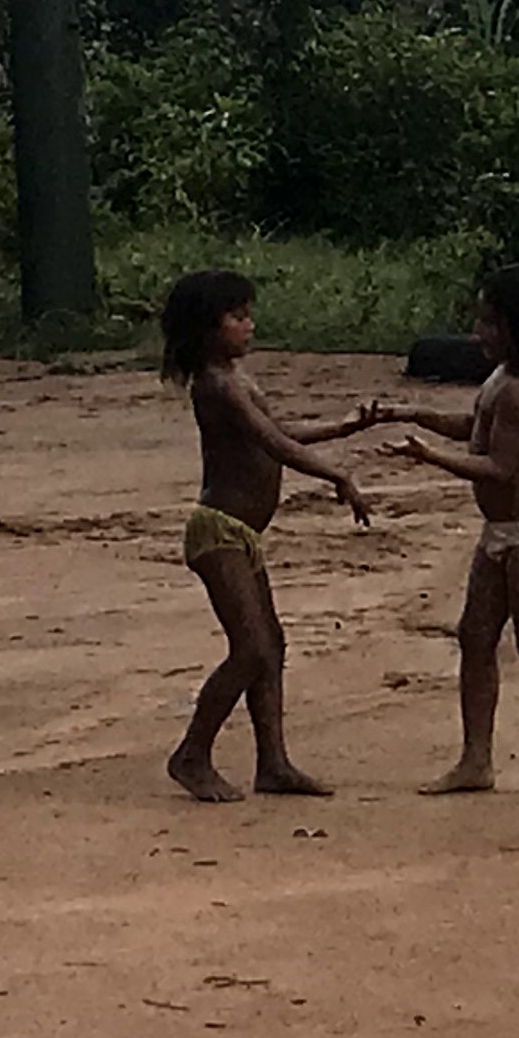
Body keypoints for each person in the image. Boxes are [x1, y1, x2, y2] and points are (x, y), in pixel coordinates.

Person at [370, 263, 519, 799]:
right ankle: (475, 760)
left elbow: (498, 467)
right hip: (503, 531)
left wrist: (427, 455)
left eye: (490, 323)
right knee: (475, 637)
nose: (479, 333)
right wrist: (411, 414)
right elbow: (474, 428)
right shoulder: (501, 380)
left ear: (517, 328)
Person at [160, 268, 377, 804]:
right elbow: (274, 445)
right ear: (208, 329)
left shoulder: (238, 381)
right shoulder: (216, 385)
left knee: (270, 646)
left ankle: (273, 762)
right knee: (252, 649)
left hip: (240, 537)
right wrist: (338, 474)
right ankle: (192, 754)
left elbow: (280, 433)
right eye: (237, 317)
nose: (249, 326)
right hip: (220, 534)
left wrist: (343, 428)